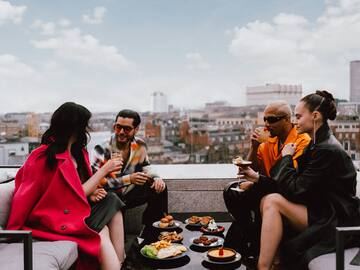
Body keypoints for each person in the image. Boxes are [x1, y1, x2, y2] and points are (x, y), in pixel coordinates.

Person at [237, 91, 360, 270]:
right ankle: (271, 263)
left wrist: (286, 157)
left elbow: (295, 189)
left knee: (271, 201)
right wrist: (256, 177)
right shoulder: (318, 143)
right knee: (268, 200)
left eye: (299, 116)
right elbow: (295, 185)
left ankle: (264, 266)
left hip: (336, 218)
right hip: (324, 209)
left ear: (315, 116)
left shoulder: (326, 149)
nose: (295, 121)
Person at [6, 102, 125, 270]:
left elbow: (77, 190)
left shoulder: (78, 152)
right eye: (84, 124)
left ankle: (121, 262)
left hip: (74, 210)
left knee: (113, 200)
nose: (87, 129)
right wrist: (105, 169)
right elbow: (28, 195)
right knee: (102, 232)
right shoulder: (42, 157)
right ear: (75, 127)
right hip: (56, 219)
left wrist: (90, 194)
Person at [223, 101, 310, 260]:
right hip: (268, 185)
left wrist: (256, 181)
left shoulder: (301, 140)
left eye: (272, 119)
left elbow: (289, 176)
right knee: (231, 191)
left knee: (251, 195)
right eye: (265, 119)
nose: (267, 124)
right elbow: (251, 168)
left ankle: (241, 248)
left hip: (288, 190)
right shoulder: (270, 139)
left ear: (287, 119)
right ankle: (247, 240)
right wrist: (254, 146)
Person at [92, 109, 168, 232]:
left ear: (136, 129)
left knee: (160, 188)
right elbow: (96, 181)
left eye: (126, 129)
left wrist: (157, 178)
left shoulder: (140, 145)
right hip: (109, 193)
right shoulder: (102, 148)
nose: (121, 132)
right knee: (112, 196)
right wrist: (129, 179)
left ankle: (153, 232)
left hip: (130, 192)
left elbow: (146, 165)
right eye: (118, 127)